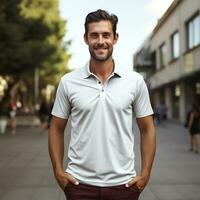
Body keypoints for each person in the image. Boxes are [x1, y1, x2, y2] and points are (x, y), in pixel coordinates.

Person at [48, 9, 156, 200]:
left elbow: (147, 129)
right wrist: (58, 170)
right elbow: (56, 129)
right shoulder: (68, 81)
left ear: (115, 38)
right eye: (94, 35)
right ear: (86, 38)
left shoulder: (135, 81)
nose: (100, 41)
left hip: (123, 185)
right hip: (79, 185)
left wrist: (145, 173)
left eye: (106, 35)